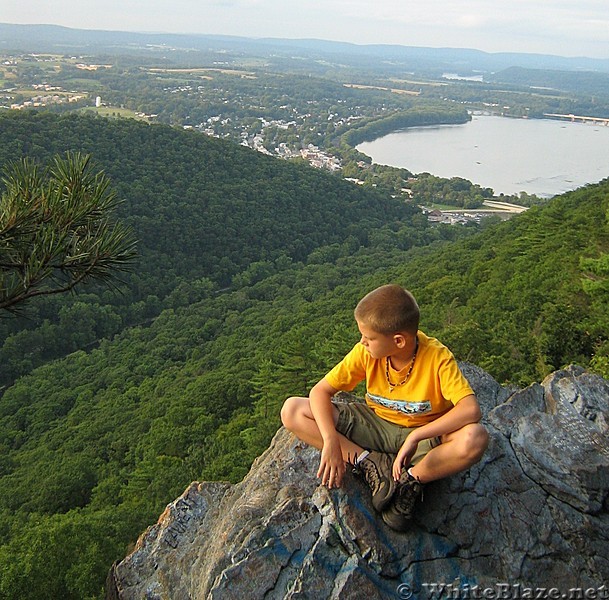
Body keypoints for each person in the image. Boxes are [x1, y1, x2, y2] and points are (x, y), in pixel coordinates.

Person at [281, 284, 489, 531]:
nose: (362, 342)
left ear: (398, 341)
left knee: (474, 439)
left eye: (368, 338)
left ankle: (408, 482)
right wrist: (330, 441)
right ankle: (368, 462)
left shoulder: (436, 358)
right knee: (293, 410)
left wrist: (416, 436)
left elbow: (470, 409)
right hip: (375, 425)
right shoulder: (366, 353)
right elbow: (319, 391)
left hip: (424, 435)